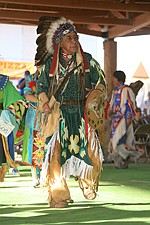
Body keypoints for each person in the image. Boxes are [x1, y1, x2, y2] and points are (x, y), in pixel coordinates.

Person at [35, 16, 107, 208]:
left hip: (82, 112)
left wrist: (96, 96)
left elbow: (101, 81)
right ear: (60, 42)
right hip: (59, 114)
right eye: (70, 39)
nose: (74, 42)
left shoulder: (87, 61)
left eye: (76, 38)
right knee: (56, 155)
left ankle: (88, 183)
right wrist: (43, 100)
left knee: (90, 150)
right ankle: (59, 195)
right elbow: (40, 85)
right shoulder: (50, 64)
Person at [108, 70, 141, 169]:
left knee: (120, 141)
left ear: (119, 79)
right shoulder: (115, 91)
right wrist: (108, 113)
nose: (112, 80)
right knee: (115, 141)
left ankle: (133, 154)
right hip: (115, 119)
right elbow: (111, 105)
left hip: (123, 119)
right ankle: (122, 161)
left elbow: (131, 104)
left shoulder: (127, 90)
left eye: (114, 79)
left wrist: (129, 118)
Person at [0, 74, 26, 182]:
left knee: (2, 145)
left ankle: (4, 168)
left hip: (2, 119)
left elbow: (18, 101)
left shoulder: (5, 83)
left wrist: (8, 112)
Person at [22, 69, 44, 187]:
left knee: (47, 145)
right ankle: (35, 177)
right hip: (34, 116)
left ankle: (47, 175)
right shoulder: (31, 78)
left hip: (48, 115)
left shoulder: (52, 76)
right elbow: (27, 95)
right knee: (34, 145)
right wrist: (41, 101)